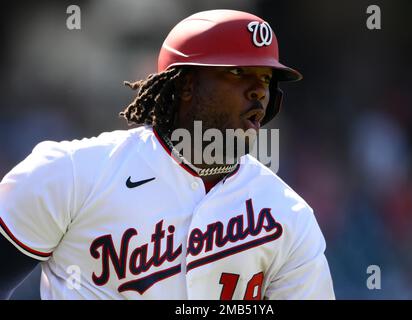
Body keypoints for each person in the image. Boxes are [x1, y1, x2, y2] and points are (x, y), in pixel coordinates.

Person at [0, 9, 335, 299]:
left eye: (265, 77)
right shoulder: (72, 174)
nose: (259, 90)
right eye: (236, 71)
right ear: (186, 85)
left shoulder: (288, 216)